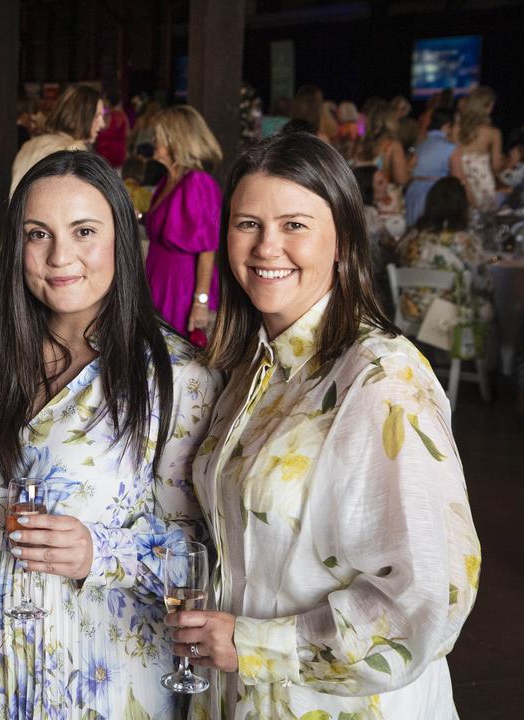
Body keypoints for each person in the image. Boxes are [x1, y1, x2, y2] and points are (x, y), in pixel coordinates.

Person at [172, 132, 480, 719]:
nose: (267, 248)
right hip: (243, 696)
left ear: (341, 239)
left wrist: (251, 644)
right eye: (247, 224)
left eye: (294, 225)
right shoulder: (253, 368)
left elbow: (430, 598)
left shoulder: (382, 380)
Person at [0, 150, 219, 719]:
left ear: (121, 240)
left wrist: (100, 550)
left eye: (84, 231)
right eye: (37, 234)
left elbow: (202, 562)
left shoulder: (174, 377)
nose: (59, 256)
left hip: (94, 675)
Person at [143, 105, 223, 337]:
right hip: (158, 281)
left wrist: (201, 301)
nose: (153, 139)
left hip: (181, 289)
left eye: (158, 135)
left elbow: (208, 249)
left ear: (174, 140)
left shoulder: (197, 182)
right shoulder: (168, 180)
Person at [397, 176, 491, 327]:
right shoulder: (465, 241)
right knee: (490, 308)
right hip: (449, 316)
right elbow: (482, 282)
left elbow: (401, 261)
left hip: (412, 311)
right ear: (462, 206)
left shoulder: (412, 236)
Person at [10, 84, 106, 194]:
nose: (102, 124)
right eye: (97, 116)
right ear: (82, 116)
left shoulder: (29, 145)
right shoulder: (74, 150)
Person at [451, 85, 503, 212]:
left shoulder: (456, 129)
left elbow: (452, 157)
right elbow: (496, 166)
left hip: (459, 182)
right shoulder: (493, 133)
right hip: (482, 182)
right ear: (487, 106)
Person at [405, 108, 457, 226]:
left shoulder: (420, 144)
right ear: (448, 126)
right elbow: (457, 179)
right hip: (434, 195)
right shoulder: (450, 148)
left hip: (413, 193)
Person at [94, 92, 129, 169]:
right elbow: (127, 135)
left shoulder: (103, 115)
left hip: (102, 156)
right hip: (119, 154)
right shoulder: (122, 116)